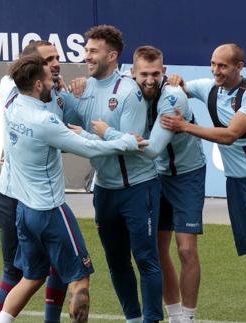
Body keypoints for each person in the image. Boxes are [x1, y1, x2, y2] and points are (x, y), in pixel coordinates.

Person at [0, 54, 146, 323]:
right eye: (49, 78)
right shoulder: (44, 121)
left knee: (31, 277)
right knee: (80, 279)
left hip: (24, 212)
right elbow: (87, 147)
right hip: (51, 212)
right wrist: (125, 142)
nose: (54, 82)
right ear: (38, 85)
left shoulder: (11, 102)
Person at [161, 44, 246, 323]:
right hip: (236, 184)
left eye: (222, 66)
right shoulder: (209, 87)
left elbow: (230, 135)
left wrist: (185, 126)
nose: (215, 71)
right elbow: (179, 85)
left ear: (239, 67)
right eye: (212, 64)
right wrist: (174, 81)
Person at [89, 46, 206, 323]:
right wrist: (82, 81)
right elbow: (104, 78)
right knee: (156, 249)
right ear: (133, 73)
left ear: (164, 72)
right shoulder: (129, 88)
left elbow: (152, 148)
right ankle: (174, 315)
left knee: (186, 249)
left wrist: (108, 134)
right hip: (154, 176)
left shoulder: (173, 96)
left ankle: (187, 319)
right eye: (144, 74)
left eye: (156, 74)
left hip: (186, 174)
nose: (150, 80)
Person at [70, 25, 163, 323]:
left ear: (112, 56)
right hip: (105, 191)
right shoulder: (83, 88)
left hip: (139, 188)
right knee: (116, 261)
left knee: (146, 260)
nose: (87, 56)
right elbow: (63, 124)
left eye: (93, 51)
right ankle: (132, 318)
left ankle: (150, 320)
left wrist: (86, 137)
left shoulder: (128, 92)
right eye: (86, 50)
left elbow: (131, 145)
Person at [0, 40, 78, 323]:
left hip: (38, 197)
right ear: (30, 67)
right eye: (46, 60)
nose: (54, 64)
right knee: (16, 271)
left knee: (58, 265)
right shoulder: (13, 88)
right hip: (13, 197)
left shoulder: (55, 95)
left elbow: (60, 138)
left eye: (56, 58)